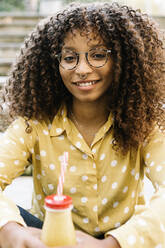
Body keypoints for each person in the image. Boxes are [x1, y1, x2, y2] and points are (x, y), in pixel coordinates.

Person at [0, 1, 164, 248]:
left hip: (119, 239)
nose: (82, 69)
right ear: (53, 64)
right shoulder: (34, 125)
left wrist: (110, 244)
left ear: (123, 60)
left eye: (98, 55)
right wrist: (10, 230)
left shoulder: (144, 125)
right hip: (48, 238)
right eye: (69, 57)